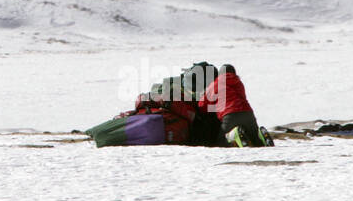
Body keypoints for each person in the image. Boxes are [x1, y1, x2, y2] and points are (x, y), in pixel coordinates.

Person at [84, 62, 272, 147]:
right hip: (248, 112)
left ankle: (233, 137)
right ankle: (259, 137)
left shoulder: (214, 85)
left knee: (222, 139)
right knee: (250, 128)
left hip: (228, 116)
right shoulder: (238, 83)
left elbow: (205, 102)